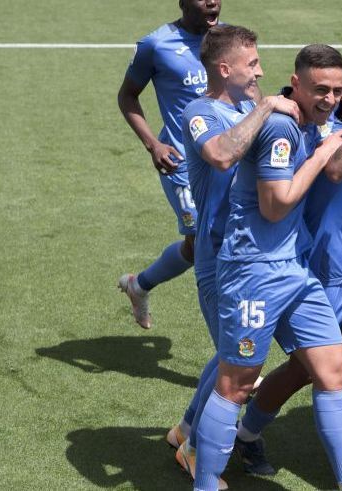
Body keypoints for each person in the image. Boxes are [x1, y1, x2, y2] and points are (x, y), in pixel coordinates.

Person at [194, 45, 342, 491]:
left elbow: (338, 158)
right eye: (321, 90)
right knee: (236, 384)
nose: (331, 100)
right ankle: (205, 483)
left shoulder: (318, 123)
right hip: (253, 269)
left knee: (334, 370)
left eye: (337, 91)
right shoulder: (279, 126)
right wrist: (320, 154)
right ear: (295, 83)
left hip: (294, 270)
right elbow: (274, 207)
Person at [164, 24, 300, 489]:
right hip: (216, 253)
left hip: (249, 255)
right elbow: (222, 155)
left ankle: (186, 429)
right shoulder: (199, 111)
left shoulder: (247, 106)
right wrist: (265, 105)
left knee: (233, 357)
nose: (261, 69)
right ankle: (196, 451)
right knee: (234, 361)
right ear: (225, 69)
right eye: (253, 63)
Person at [117, 0, 222, 329]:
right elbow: (127, 95)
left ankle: (139, 285)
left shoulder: (225, 40)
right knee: (210, 252)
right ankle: (232, 358)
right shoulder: (157, 44)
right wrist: (154, 144)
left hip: (223, 160)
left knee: (195, 249)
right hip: (181, 166)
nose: (212, 0)